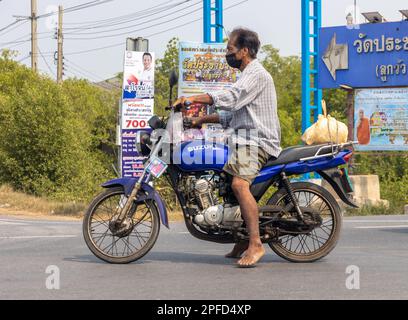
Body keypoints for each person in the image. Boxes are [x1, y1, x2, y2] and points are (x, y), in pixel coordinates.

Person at [174, 28, 282, 268]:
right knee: (224, 185)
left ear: (244, 51)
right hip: (243, 138)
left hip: (256, 141)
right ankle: (241, 239)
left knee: (239, 184)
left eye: (230, 49)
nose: (227, 54)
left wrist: (192, 99)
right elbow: (231, 114)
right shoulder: (245, 75)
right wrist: (199, 121)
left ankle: (255, 243)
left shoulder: (256, 74)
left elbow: (231, 98)